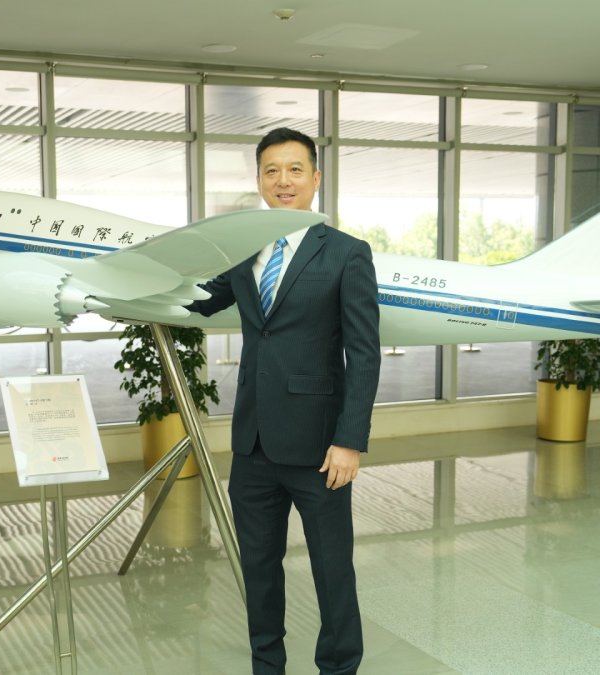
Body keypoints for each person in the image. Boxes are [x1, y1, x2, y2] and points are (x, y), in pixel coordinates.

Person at [189, 128, 381, 675]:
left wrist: (349, 441)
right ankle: (266, 666)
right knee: (259, 571)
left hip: (320, 447)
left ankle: (339, 667)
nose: (283, 181)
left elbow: (364, 355)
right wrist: (120, 293)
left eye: (295, 170)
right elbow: (199, 303)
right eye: (272, 171)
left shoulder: (346, 254)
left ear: (316, 179)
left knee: (332, 572)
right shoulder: (244, 248)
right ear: (259, 181)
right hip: (252, 447)